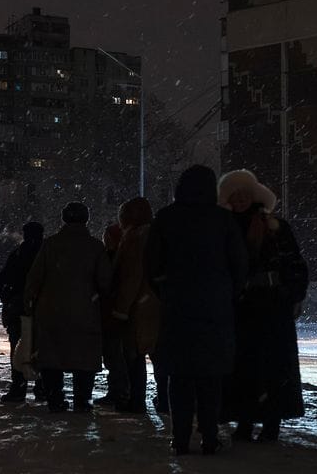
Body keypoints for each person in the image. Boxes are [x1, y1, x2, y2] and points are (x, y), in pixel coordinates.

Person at [147, 165, 248, 456]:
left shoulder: (167, 218)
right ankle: (209, 435)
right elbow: (239, 264)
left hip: (178, 308)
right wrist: (227, 292)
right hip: (214, 309)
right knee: (210, 377)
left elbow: (152, 264)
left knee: (179, 377)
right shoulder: (223, 220)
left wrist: (167, 290)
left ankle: (180, 437)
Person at [218, 170, 308, 443]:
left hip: (271, 306)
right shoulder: (225, 228)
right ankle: (244, 420)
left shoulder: (274, 227)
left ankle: (271, 422)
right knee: (243, 367)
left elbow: (294, 263)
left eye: (244, 194)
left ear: (254, 195)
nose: (240, 199)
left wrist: (292, 295)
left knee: (272, 367)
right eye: (234, 195)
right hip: (241, 308)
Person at [25, 202, 112, 413]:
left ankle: (55, 398)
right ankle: (83, 400)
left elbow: (34, 280)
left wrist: (30, 305)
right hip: (85, 312)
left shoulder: (50, 245)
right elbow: (106, 282)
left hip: (51, 312)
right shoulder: (95, 247)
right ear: (86, 219)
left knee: (52, 357)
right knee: (84, 358)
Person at [110, 197, 162, 414]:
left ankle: (136, 400)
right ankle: (164, 399)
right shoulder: (157, 235)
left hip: (139, 307)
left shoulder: (134, 239)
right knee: (159, 355)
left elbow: (131, 277)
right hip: (157, 302)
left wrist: (121, 309)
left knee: (134, 355)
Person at [0, 221, 46, 403]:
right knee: (42, 348)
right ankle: (43, 387)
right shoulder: (45, 254)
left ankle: (18, 387)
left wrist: (10, 301)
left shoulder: (17, 255)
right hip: (42, 310)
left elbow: (3, 282)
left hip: (17, 310)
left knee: (18, 348)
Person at [96, 222, 128, 408]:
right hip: (119, 312)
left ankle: (118, 391)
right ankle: (121, 391)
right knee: (118, 355)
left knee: (113, 355)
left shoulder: (109, 258)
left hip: (110, 313)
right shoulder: (125, 257)